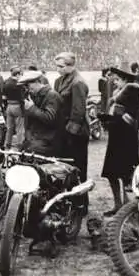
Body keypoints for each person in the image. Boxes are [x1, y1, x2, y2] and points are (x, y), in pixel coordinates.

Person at [100, 67, 139, 216]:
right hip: (117, 136)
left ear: (125, 80)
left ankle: (125, 206)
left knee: (124, 173)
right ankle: (119, 204)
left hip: (125, 138)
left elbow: (131, 119)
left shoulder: (132, 92)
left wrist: (113, 118)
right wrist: (109, 118)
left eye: (117, 79)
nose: (115, 82)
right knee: (112, 173)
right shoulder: (119, 94)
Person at [53, 52, 90, 214]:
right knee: (65, 169)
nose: (57, 69)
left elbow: (78, 112)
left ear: (71, 66)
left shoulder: (77, 83)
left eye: (61, 66)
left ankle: (81, 204)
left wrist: (70, 134)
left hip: (75, 134)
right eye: (57, 66)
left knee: (78, 169)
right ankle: (69, 200)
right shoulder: (60, 80)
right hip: (64, 130)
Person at [17, 70, 62, 157]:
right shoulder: (33, 96)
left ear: (38, 82)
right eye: (24, 86)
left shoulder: (52, 96)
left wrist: (32, 108)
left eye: (28, 85)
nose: (27, 89)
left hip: (47, 143)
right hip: (34, 141)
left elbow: (50, 118)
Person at [3, 66, 25, 151]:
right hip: (17, 106)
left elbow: (4, 97)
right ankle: (20, 146)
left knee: (9, 128)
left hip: (9, 106)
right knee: (20, 128)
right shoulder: (18, 84)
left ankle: (7, 145)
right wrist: (23, 110)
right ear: (18, 74)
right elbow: (22, 98)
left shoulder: (6, 82)